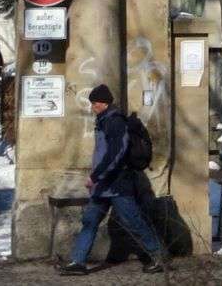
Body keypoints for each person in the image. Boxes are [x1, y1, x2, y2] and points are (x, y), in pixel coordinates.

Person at [58, 84, 168, 275]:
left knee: (134, 221)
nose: (92, 107)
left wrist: (95, 176)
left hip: (117, 184)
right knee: (90, 221)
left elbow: (116, 153)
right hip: (103, 186)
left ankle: (159, 256)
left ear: (102, 103)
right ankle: (78, 262)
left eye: (94, 103)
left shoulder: (115, 122)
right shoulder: (103, 120)